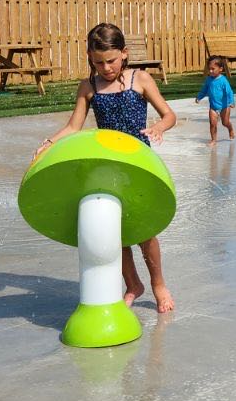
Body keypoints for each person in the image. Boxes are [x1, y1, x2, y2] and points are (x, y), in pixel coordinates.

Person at [35, 22, 178, 311]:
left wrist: (160, 127)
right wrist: (49, 143)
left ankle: (158, 284)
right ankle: (133, 284)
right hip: (107, 166)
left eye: (111, 60)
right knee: (114, 230)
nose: (106, 68)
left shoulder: (141, 79)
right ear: (90, 57)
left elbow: (169, 114)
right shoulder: (89, 86)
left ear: (124, 54)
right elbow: (74, 127)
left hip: (138, 164)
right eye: (99, 62)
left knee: (144, 231)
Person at [196, 55, 236, 143]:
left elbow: (229, 92)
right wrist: (199, 97)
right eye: (209, 69)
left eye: (213, 69)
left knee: (225, 123)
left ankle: (230, 128)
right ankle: (213, 139)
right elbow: (204, 90)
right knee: (212, 124)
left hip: (225, 106)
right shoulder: (208, 80)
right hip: (213, 107)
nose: (210, 71)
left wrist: (232, 102)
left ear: (220, 69)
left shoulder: (223, 80)